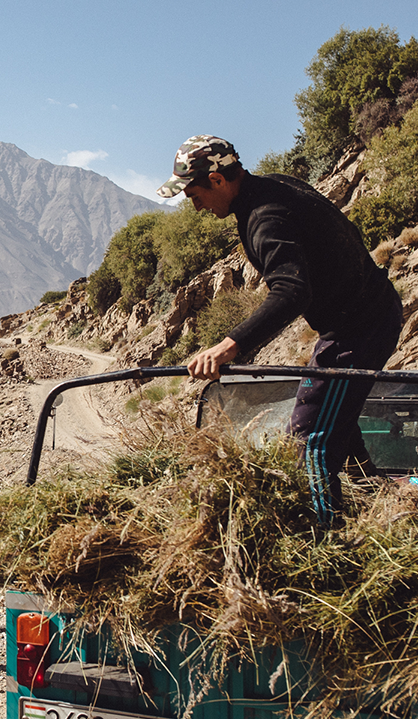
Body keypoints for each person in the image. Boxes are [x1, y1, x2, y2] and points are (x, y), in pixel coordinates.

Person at [162, 135, 403, 521]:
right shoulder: (272, 186)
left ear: (219, 181)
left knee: (310, 437)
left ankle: (325, 539)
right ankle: (383, 509)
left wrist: (229, 346)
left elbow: (292, 291)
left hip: (358, 327)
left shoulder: (265, 216)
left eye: (195, 194)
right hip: (360, 318)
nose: (197, 205)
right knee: (334, 422)